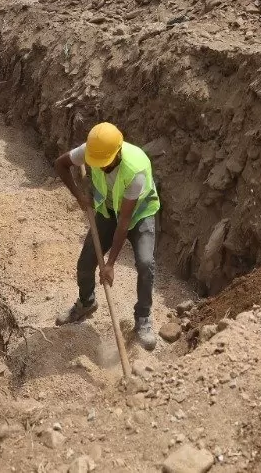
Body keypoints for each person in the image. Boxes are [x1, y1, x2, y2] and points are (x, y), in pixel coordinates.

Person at [53, 122, 161, 350]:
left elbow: (124, 223)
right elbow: (60, 164)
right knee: (85, 262)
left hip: (138, 214)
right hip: (108, 210)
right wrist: (79, 196)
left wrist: (110, 264)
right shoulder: (91, 151)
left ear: (118, 152)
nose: (100, 168)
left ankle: (143, 319)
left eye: (105, 164)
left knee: (145, 263)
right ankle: (86, 302)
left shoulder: (136, 169)